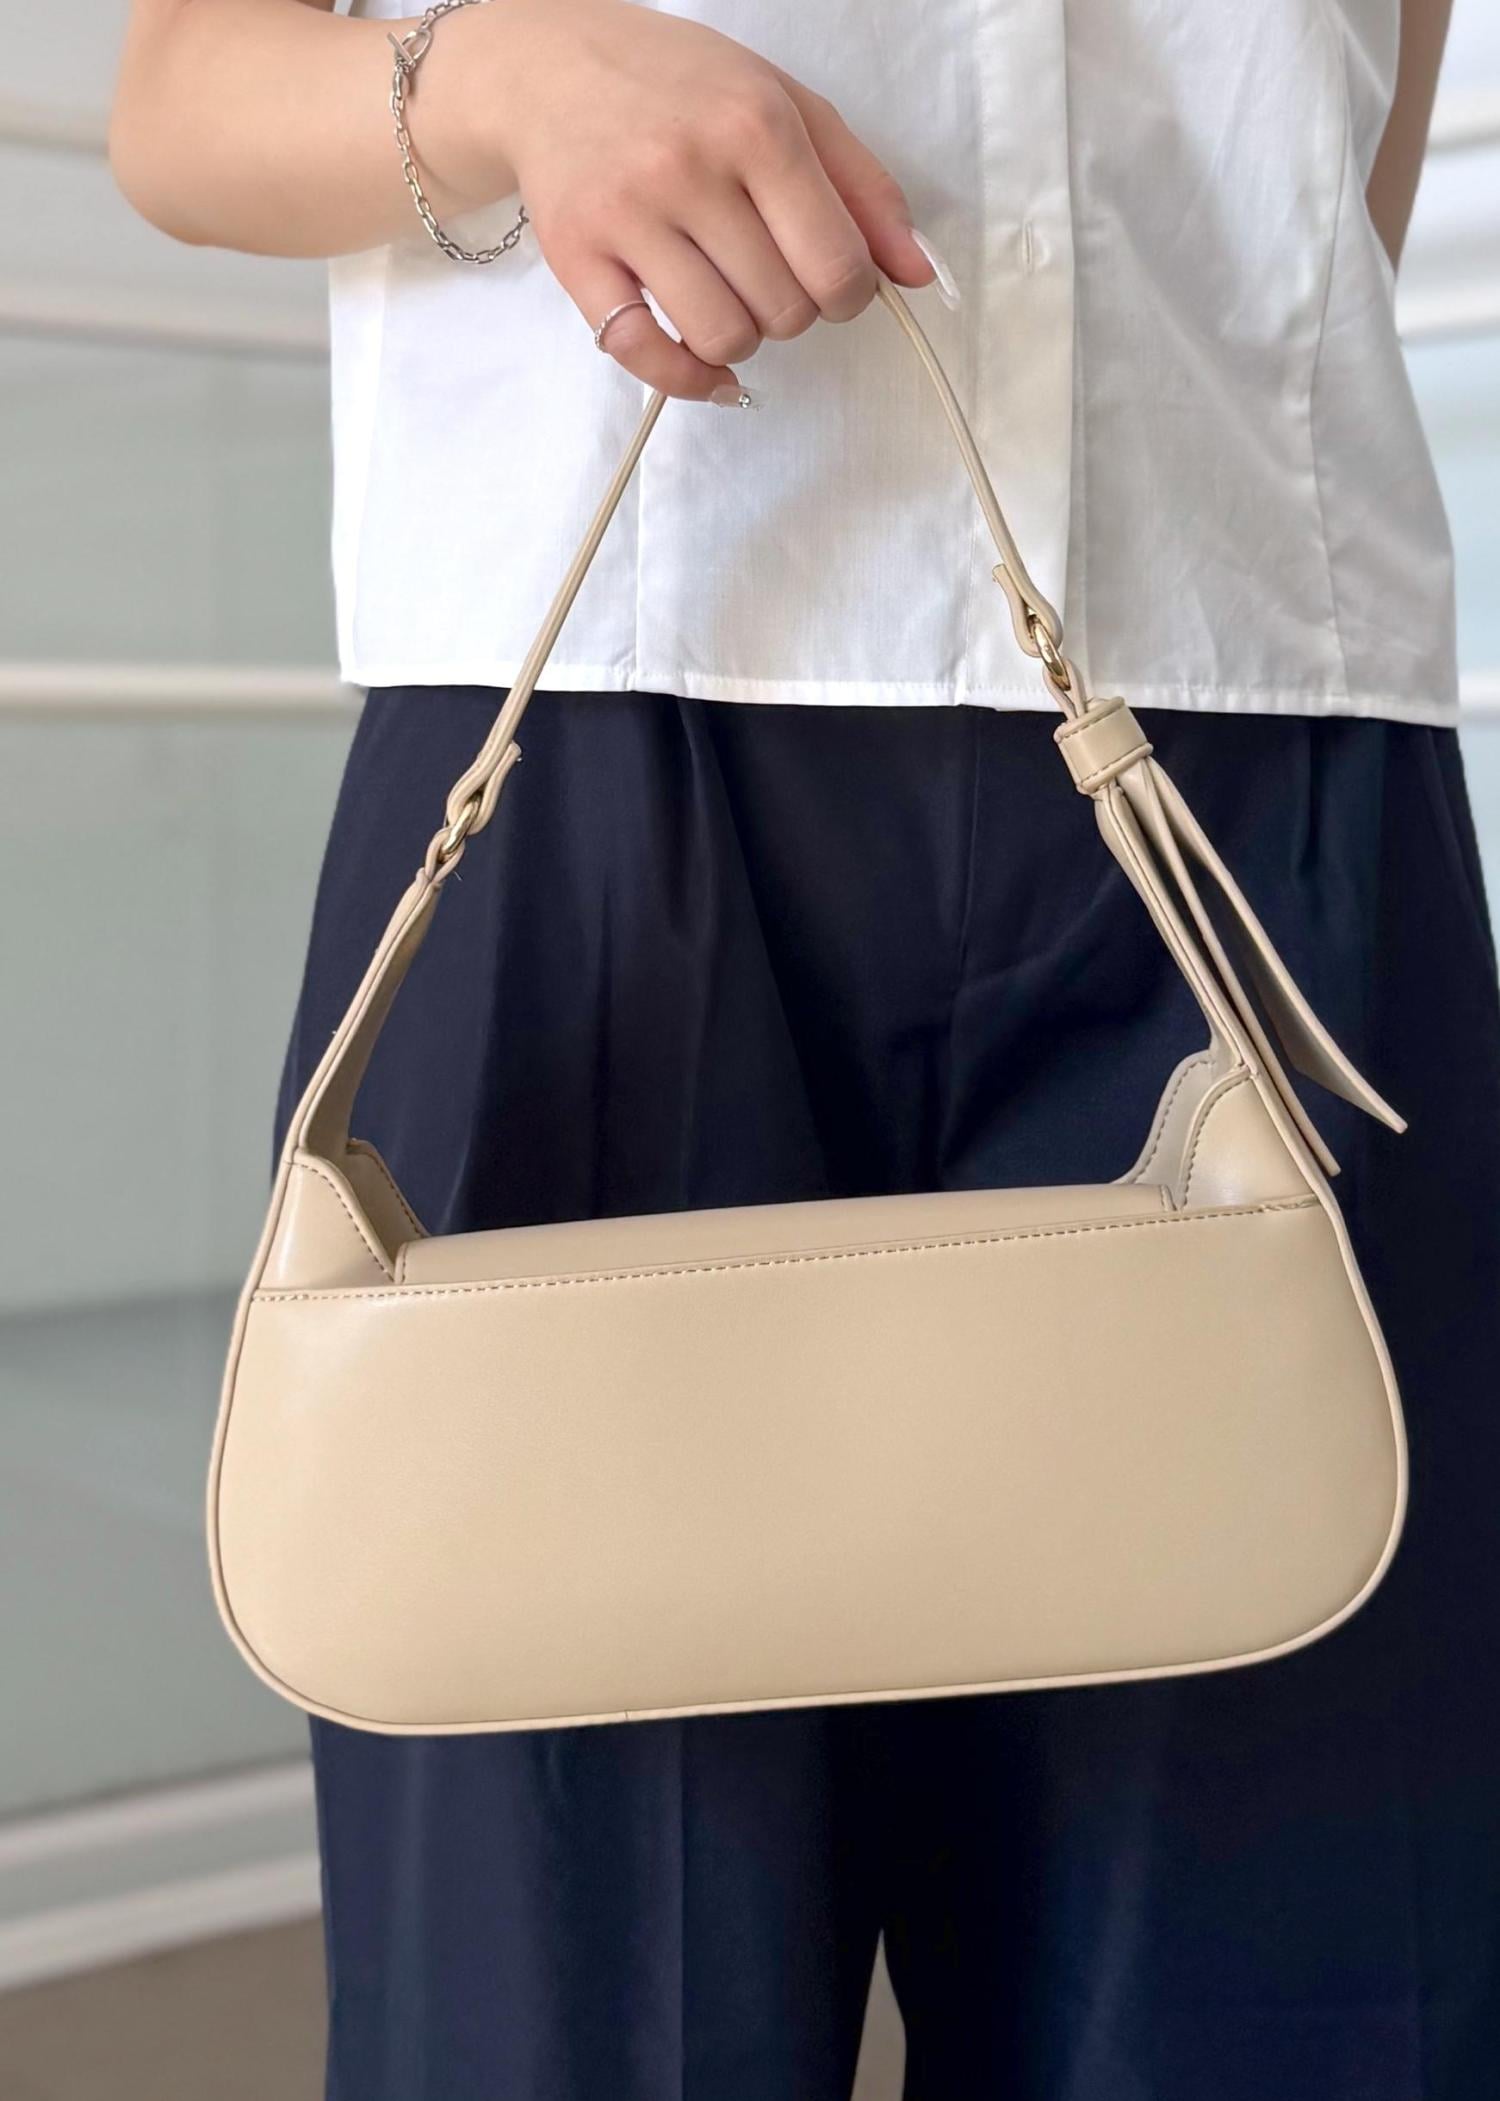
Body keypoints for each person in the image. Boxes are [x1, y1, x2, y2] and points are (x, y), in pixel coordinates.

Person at [112, 4, 1500, 2097]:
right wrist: (502, 82)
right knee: (574, 2014)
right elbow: (178, 103)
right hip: (594, 763)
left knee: (1286, 1975)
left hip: (1250, 749)